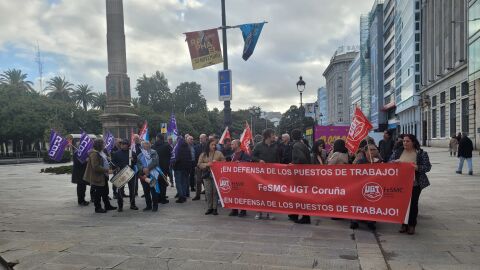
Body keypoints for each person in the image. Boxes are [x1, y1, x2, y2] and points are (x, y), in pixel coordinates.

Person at [390, 134, 431, 235]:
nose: (405, 143)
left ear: (413, 142)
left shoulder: (421, 153)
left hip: (415, 183)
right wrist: (393, 163)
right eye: (404, 141)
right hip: (401, 183)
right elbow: (389, 162)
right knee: (402, 203)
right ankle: (403, 224)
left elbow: (427, 167)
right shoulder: (398, 152)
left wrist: (416, 167)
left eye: (407, 141)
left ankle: (412, 225)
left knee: (413, 204)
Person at [351, 143, 382, 230]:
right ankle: (354, 221)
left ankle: (370, 221)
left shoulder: (379, 162)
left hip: (373, 187)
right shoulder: (360, 162)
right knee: (358, 204)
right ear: (365, 151)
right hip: (360, 186)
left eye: (373, 150)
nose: (371, 151)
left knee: (371, 204)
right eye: (370, 149)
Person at [251, 128, 279, 220]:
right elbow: (252, 156)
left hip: (272, 174)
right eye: (273, 134)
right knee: (260, 193)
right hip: (261, 175)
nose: (274, 136)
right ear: (268, 136)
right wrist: (259, 160)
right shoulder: (258, 146)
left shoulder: (276, 145)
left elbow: (279, 158)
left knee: (270, 194)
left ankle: (269, 212)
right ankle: (259, 212)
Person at [83, 139, 116, 213]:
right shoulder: (94, 154)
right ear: (99, 145)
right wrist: (107, 170)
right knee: (98, 193)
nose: (104, 145)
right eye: (103, 144)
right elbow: (96, 167)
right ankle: (97, 208)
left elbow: (104, 161)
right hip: (97, 176)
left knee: (105, 191)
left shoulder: (101, 152)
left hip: (103, 175)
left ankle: (107, 205)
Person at [289, 129, 312, 224]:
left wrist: (293, 163)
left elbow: (301, 159)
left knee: (299, 196)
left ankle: (305, 217)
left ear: (292, 136)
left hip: (300, 175)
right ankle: (295, 214)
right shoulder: (303, 145)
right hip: (305, 174)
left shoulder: (296, 146)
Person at [197, 138, 226, 215]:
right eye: (212, 145)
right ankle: (209, 208)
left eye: (214, 145)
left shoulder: (219, 153)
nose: (213, 146)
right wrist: (207, 164)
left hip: (216, 176)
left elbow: (224, 163)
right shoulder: (203, 154)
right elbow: (199, 164)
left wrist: (218, 163)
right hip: (206, 175)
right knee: (208, 192)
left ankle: (215, 208)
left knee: (215, 192)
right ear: (208, 145)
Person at [112, 139, 138, 212]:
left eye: (125, 144)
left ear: (128, 145)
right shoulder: (117, 153)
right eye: (122, 144)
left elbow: (136, 162)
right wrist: (117, 167)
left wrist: (133, 160)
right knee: (120, 190)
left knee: (132, 189)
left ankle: (132, 204)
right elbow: (113, 162)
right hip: (121, 173)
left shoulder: (132, 153)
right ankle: (120, 206)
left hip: (130, 173)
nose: (123, 145)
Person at [228, 139, 251, 217]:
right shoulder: (232, 155)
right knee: (234, 194)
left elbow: (249, 163)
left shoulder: (244, 154)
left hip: (242, 179)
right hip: (233, 178)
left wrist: (241, 163)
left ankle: (243, 210)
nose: (231, 145)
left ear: (237, 145)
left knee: (242, 194)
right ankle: (234, 210)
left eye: (232, 144)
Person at [137, 141, 160, 212]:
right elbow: (138, 164)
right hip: (144, 175)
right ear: (142, 146)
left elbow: (155, 162)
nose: (146, 146)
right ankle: (148, 205)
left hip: (152, 173)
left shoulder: (153, 152)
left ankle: (155, 206)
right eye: (144, 145)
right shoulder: (139, 155)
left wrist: (148, 168)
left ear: (150, 145)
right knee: (146, 191)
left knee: (153, 191)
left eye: (147, 144)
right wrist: (143, 169)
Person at [171, 136, 192, 203]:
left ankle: (181, 197)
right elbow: (190, 158)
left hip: (178, 168)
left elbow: (176, 158)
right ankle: (184, 196)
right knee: (184, 182)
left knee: (178, 183)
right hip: (186, 168)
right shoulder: (188, 148)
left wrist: (173, 165)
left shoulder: (177, 148)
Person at [152, 133, 170, 204]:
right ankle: (163, 199)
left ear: (157, 138)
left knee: (157, 183)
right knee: (163, 184)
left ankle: (158, 198)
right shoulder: (167, 146)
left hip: (155, 168)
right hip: (164, 168)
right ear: (163, 138)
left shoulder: (153, 146)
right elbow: (170, 155)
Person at [192, 134, 207, 200]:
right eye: (200, 138)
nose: (200, 139)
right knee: (198, 181)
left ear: (205, 138)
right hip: (198, 166)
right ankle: (197, 195)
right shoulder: (196, 147)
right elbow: (194, 157)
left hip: (206, 167)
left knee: (205, 182)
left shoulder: (208, 147)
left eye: (202, 138)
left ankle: (207, 196)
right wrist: (196, 165)